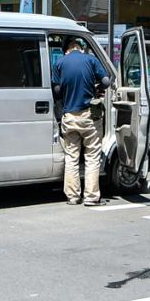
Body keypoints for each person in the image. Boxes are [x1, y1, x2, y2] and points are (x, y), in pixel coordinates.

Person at [51, 37, 107, 206]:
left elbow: (57, 89)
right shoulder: (91, 59)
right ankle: (91, 197)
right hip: (89, 116)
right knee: (92, 157)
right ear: (79, 47)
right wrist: (97, 89)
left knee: (71, 157)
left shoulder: (59, 63)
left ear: (67, 49)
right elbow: (106, 81)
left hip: (69, 117)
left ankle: (73, 196)